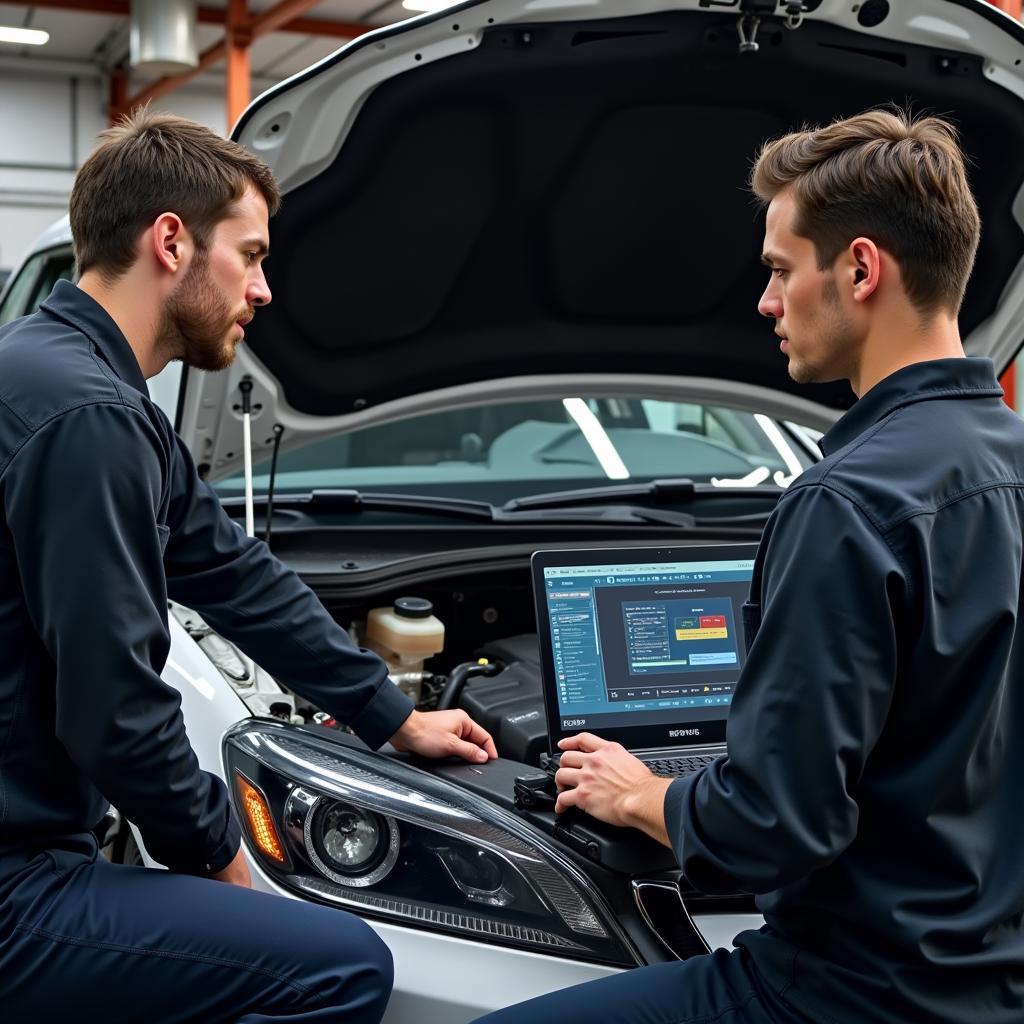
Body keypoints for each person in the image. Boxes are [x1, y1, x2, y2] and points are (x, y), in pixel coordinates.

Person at [473, 109, 1024, 1024]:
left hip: (852, 994)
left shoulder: (846, 505)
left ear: (858, 268)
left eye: (778, 269)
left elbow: (776, 826)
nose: (765, 302)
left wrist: (648, 794)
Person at [0, 108, 497, 1023]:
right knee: (337, 965)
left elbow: (233, 573)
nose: (264, 288)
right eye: (253, 254)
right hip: (14, 888)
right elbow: (115, 709)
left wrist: (389, 715)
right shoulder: (88, 418)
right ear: (171, 242)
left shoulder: (76, 383)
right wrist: (223, 858)